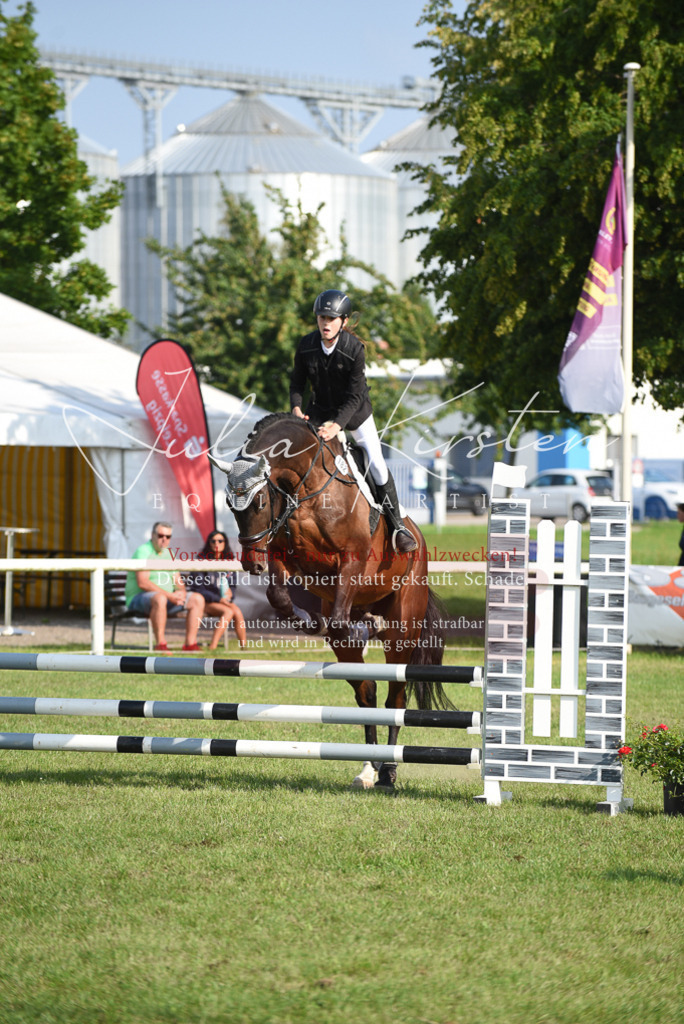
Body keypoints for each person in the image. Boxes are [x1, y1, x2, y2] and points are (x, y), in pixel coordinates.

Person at [289, 288, 418, 553]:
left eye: (332, 318)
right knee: (298, 460)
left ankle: (398, 527)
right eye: (322, 317)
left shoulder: (354, 349)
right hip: (319, 413)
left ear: (344, 322)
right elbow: (297, 381)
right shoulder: (306, 345)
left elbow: (354, 396)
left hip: (355, 415)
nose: (326, 323)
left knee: (376, 463)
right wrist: (296, 406)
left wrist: (337, 426)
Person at [124, 521, 204, 652]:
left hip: (166, 598)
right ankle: (160, 645)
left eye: (168, 537)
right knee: (160, 598)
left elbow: (178, 581)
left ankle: (190, 645)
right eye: (161, 535)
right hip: (138, 599)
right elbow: (143, 583)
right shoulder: (143, 551)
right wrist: (170, 596)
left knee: (197, 599)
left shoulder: (169, 553)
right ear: (152, 535)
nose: (164, 539)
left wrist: (181, 593)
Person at [184, 530, 247, 650]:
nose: (216, 543)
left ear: (225, 543)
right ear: (209, 543)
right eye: (213, 541)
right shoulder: (201, 561)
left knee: (237, 612)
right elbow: (199, 589)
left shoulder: (229, 561)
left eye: (220, 541)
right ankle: (212, 646)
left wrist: (230, 595)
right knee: (228, 612)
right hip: (204, 601)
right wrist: (219, 599)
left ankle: (244, 648)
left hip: (222, 601)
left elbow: (233, 585)